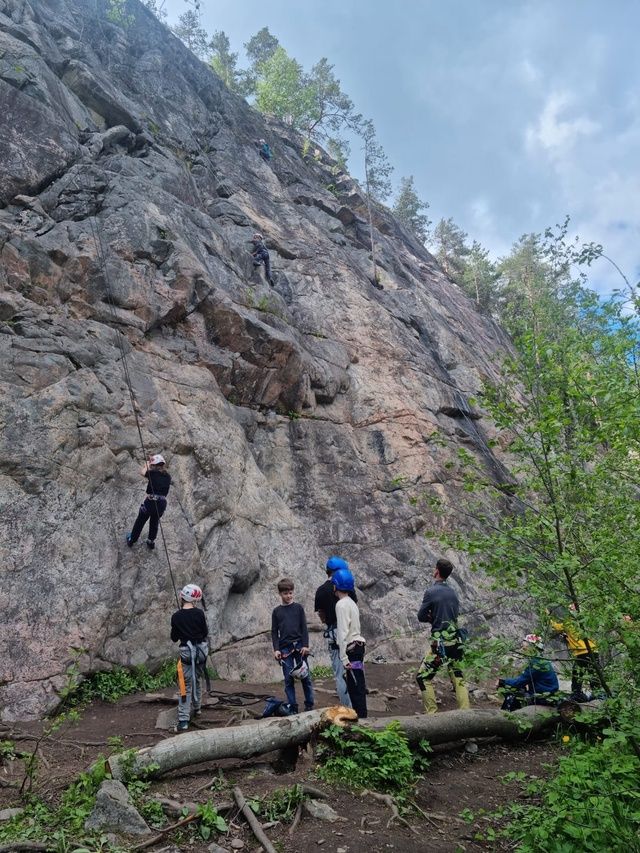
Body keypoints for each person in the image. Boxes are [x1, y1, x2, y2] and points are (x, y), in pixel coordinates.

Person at [416, 558, 470, 714]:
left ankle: (432, 714)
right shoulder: (453, 593)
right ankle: (466, 713)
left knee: (423, 677)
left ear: (436, 571)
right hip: (456, 641)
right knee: (458, 677)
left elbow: (421, 616)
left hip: (440, 644)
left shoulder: (431, 592)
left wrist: (431, 618)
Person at [314, 556, 357, 708]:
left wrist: (328, 622)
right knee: (355, 670)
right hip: (352, 634)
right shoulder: (347, 586)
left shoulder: (320, 591)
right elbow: (353, 608)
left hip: (333, 633)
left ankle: (347, 708)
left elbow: (321, 614)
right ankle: (358, 706)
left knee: (340, 674)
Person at [271, 578, 314, 714]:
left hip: (300, 648)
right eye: (285, 593)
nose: (288, 596)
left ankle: (309, 704)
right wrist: (276, 649)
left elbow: (304, 628)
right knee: (288, 680)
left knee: (305, 677)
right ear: (280, 594)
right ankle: (293, 707)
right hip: (285, 649)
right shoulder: (276, 612)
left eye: (290, 593)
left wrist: (306, 645)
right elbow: (274, 632)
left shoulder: (298, 608)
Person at [171, 583, 209, 732]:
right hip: (200, 653)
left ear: (182, 597)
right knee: (197, 679)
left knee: (185, 686)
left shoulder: (176, 616)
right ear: (195, 600)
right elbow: (204, 632)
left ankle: (183, 720)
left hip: (187, 654)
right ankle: (197, 708)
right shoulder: (199, 614)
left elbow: (174, 638)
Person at [333, 567, 367, 718]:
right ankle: (363, 716)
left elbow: (342, 633)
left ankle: (361, 720)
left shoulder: (340, 605)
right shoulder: (352, 602)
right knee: (358, 683)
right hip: (359, 646)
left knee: (354, 687)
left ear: (335, 586)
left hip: (351, 649)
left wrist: (343, 657)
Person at [549, 605, 600, 701]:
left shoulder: (568, 623)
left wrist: (548, 617)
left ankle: (576, 694)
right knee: (593, 675)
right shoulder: (586, 621)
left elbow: (555, 627)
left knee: (577, 675)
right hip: (593, 650)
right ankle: (598, 694)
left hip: (582, 652)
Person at [498, 634, 559, 711]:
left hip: (542, 698)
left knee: (512, 694)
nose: (523, 646)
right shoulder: (540, 660)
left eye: (525, 643)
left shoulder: (536, 663)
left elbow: (519, 682)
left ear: (532, 647)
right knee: (518, 689)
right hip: (547, 695)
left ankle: (507, 716)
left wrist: (502, 682)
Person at [126, 454, 171, 550]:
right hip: (161, 504)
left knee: (140, 521)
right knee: (154, 522)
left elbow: (142, 472)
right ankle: (151, 541)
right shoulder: (168, 476)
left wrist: (147, 464)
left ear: (154, 465)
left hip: (151, 502)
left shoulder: (152, 473)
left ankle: (132, 539)